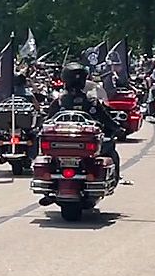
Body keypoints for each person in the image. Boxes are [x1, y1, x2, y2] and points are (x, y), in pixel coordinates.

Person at [43, 62, 125, 199]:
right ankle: (114, 179)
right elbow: (106, 120)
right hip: (84, 146)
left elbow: (47, 120)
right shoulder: (91, 101)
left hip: (60, 144)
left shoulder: (59, 101)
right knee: (110, 147)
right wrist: (118, 128)